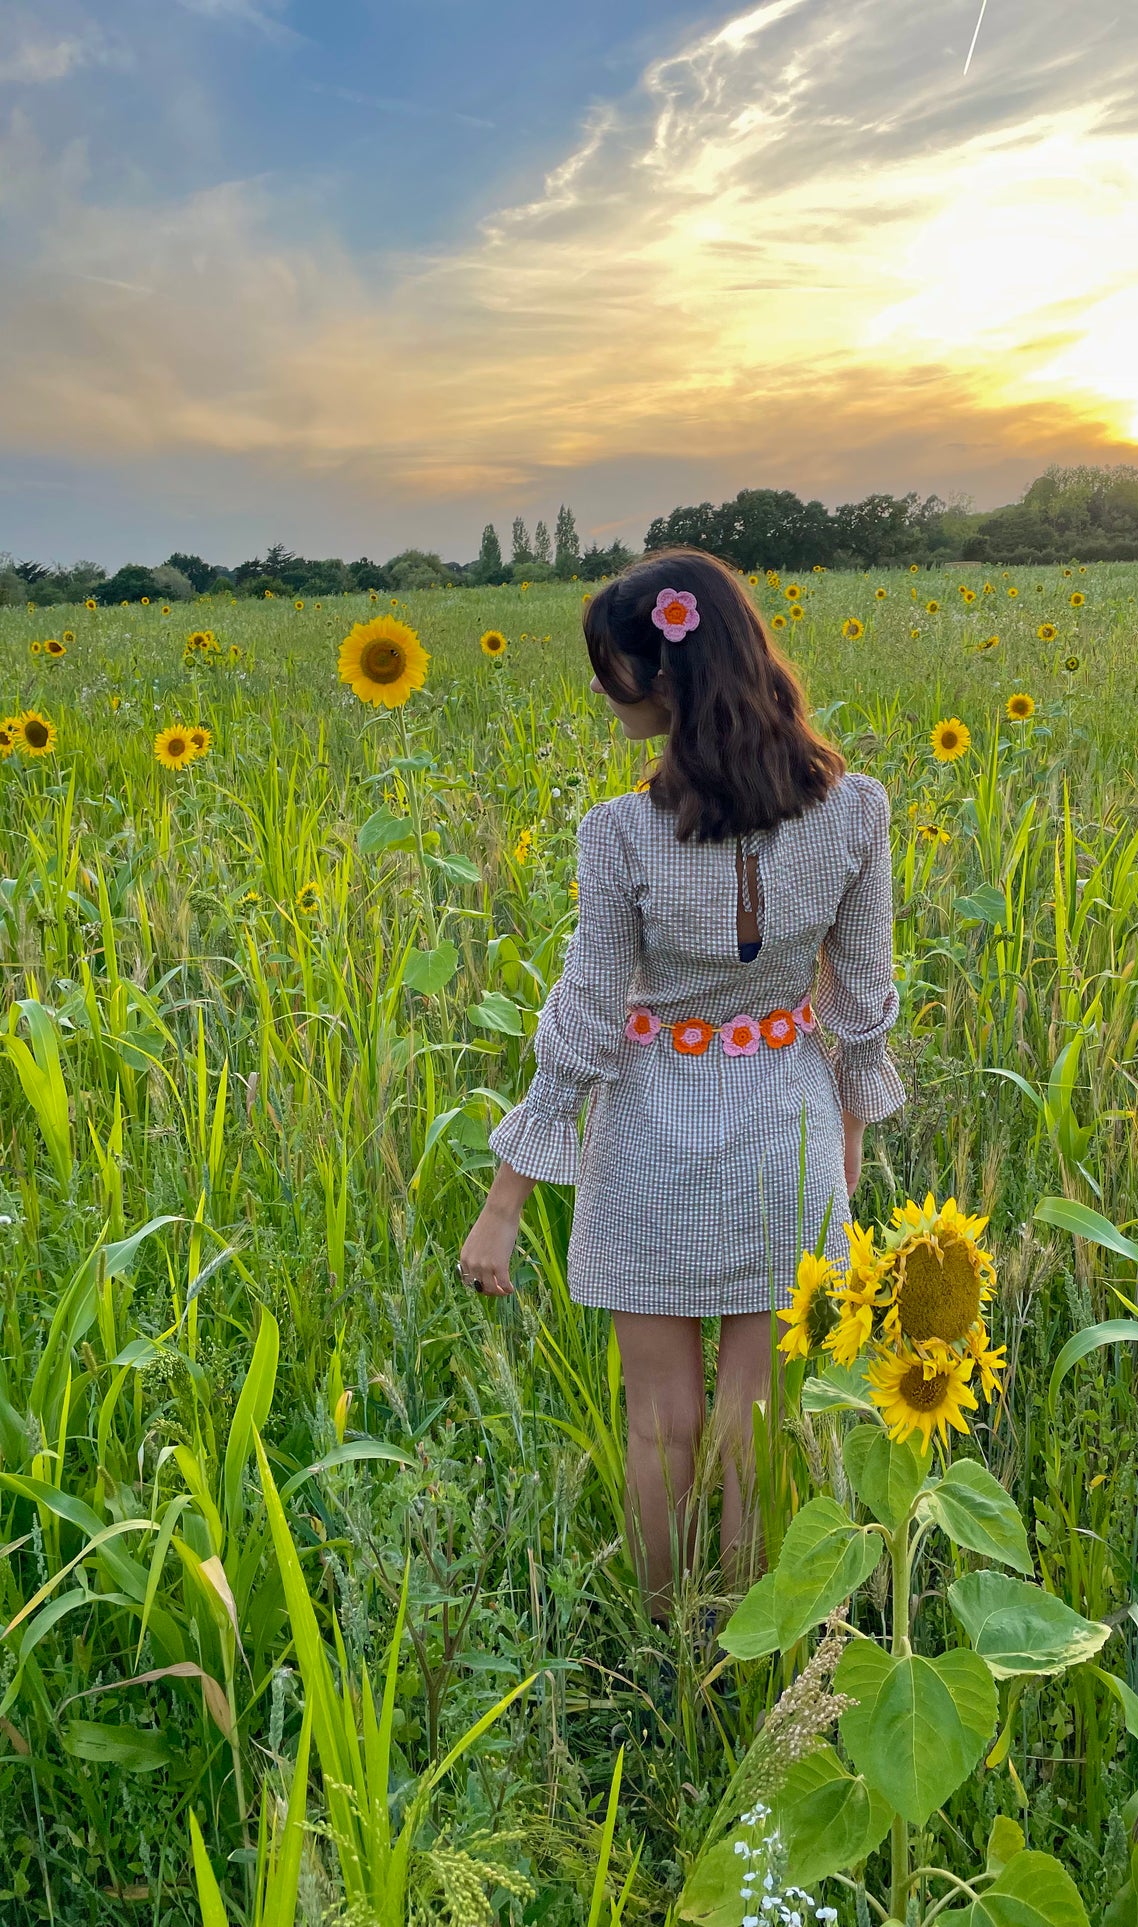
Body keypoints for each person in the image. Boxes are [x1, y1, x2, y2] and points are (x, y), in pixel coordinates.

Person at [457, 548, 904, 1618]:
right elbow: (865, 1001)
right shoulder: (854, 813)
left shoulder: (619, 834)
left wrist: (503, 1201)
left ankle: (663, 1643)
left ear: (663, 677)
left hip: (652, 1135)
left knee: (660, 1422)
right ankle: (747, 1652)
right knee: (760, 1424)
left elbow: (585, 1018)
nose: (605, 692)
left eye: (612, 670)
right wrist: (846, 1133)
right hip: (786, 1133)